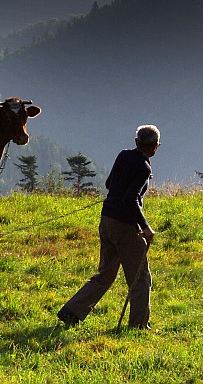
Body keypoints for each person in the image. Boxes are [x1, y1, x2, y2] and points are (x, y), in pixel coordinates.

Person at [57, 124, 161, 330]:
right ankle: (139, 325)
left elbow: (108, 184)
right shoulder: (144, 168)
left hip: (107, 221)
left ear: (136, 142)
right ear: (156, 147)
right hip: (125, 227)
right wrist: (146, 228)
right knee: (140, 279)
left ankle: (72, 312)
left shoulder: (123, 155)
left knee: (105, 274)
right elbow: (130, 200)